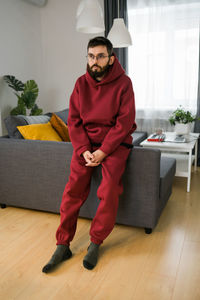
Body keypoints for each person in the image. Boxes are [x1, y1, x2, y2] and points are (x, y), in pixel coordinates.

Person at [42, 36, 136, 273]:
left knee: (110, 189)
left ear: (111, 58)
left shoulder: (124, 83)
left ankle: (95, 242)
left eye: (101, 56)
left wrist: (103, 151)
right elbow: (73, 121)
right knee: (73, 190)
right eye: (91, 56)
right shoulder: (80, 84)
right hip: (85, 145)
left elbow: (124, 123)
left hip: (114, 144)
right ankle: (63, 244)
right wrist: (83, 150)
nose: (95, 61)